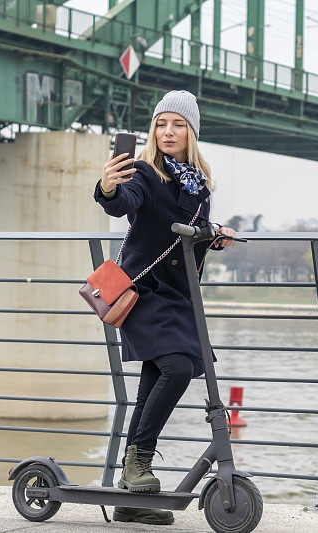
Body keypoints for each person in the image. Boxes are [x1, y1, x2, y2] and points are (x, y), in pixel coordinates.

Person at [94, 90, 236, 525]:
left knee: (158, 376)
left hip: (179, 296)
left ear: (191, 131)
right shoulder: (142, 172)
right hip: (143, 293)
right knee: (178, 366)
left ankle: (129, 499)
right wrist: (107, 187)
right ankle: (137, 461)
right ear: (152, 131)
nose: (168, 131)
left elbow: (186, 235)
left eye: (177, 124)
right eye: (161, 123)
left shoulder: (199, 181)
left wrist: (213, 234)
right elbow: (125, 203)